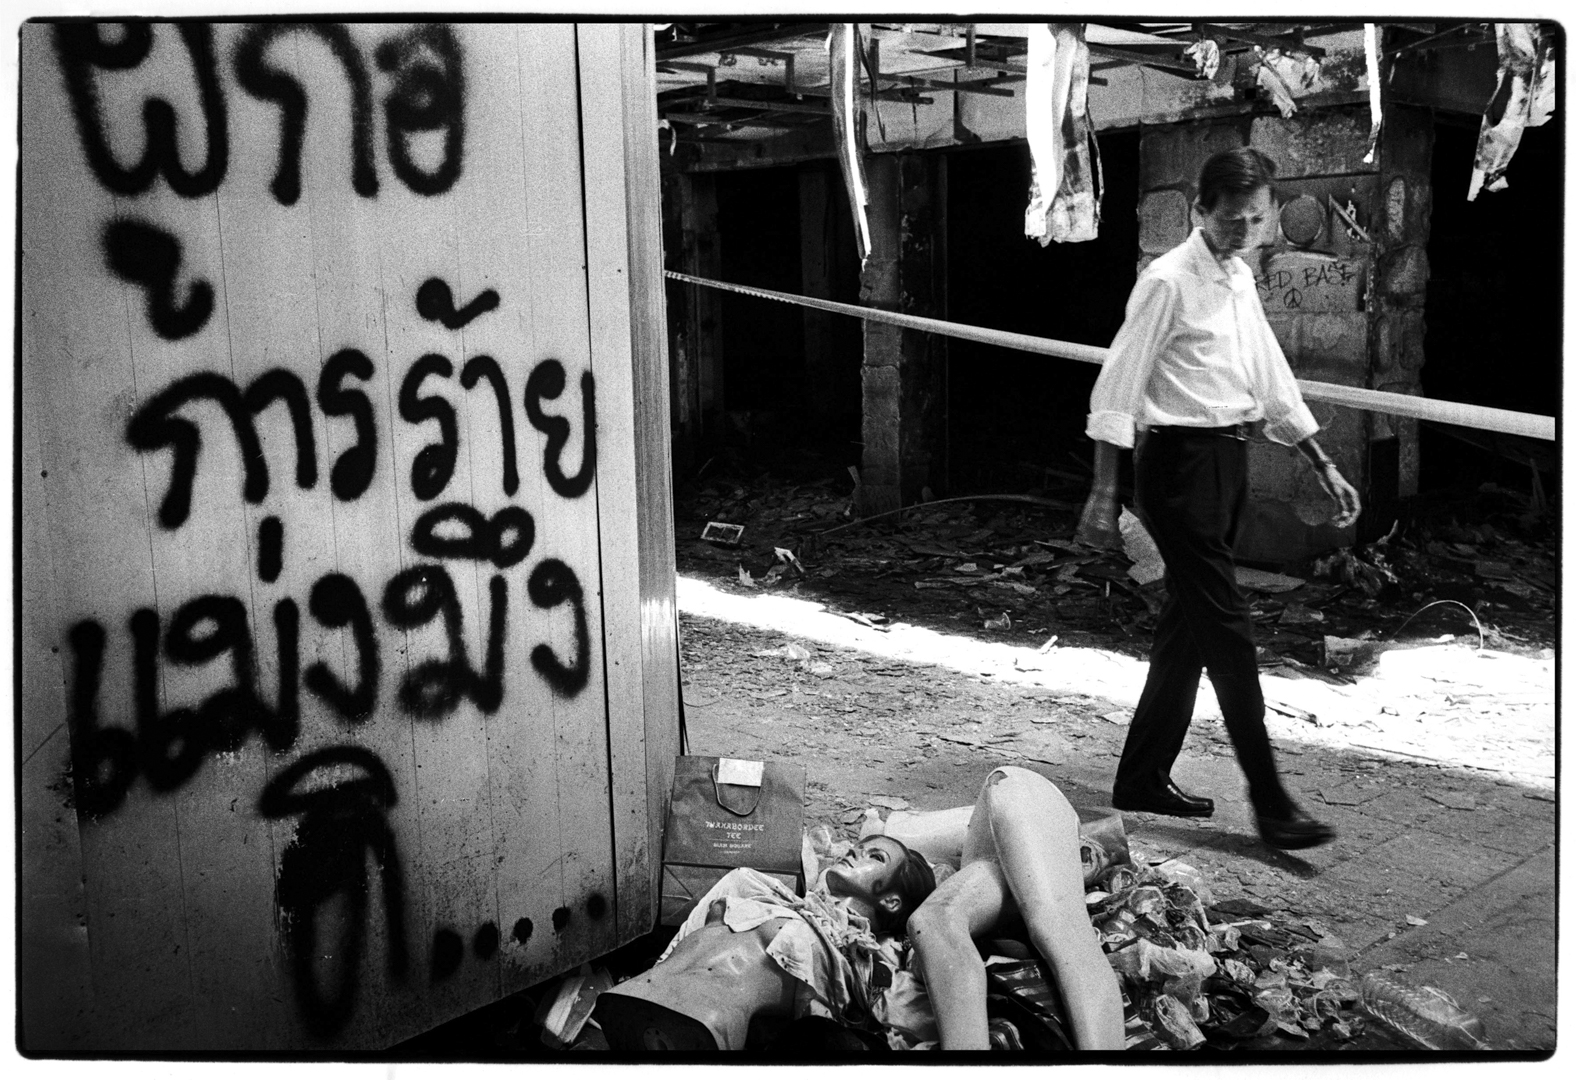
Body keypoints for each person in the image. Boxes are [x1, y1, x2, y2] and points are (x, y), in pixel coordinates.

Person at [1075, 146, 1360, 851]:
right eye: (1232, 220)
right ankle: (1271, 802)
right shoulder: (1167, 281)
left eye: (1257, 220)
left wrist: (1321, 461)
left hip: (1230, 461)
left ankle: (1142, 775)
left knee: (1189, 626)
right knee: (1229, 633)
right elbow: (1117, 386)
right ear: (1200, 210)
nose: (1245, 232)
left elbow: (1270, 374)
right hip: (1179, 469)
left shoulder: (1237, 276)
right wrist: (1104, 492)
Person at [594, 768, 1125, 1053]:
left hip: (1018, 788)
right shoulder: (935, 856)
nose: (853, 852)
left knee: (1053, 933)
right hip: (989, 845)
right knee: (937, 921)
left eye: (872, 856)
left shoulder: (1015, 797)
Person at [592, 834, 936, 1051]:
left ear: (891, 902)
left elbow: (928, 1016)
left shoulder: (867, 960)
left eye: (875, 857)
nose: (854, 853)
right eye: (858, 847)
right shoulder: (760, 889)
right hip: (635, 999)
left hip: (707, 1025)